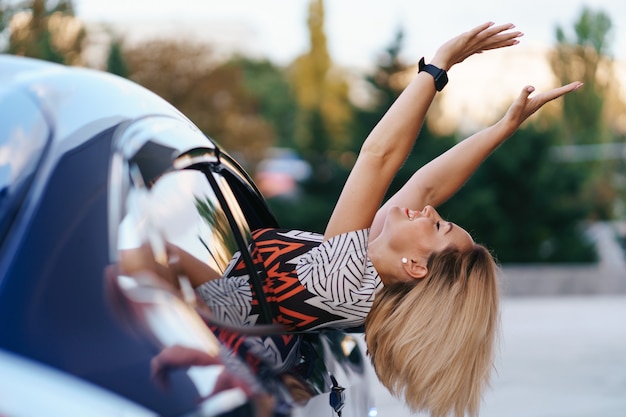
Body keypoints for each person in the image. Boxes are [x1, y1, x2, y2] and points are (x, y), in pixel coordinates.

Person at [136, 21, 583, 417]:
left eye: (438, 225)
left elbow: (378, 157)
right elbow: (426, 186)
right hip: (191, 320)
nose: (429, 211)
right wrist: (502, 127)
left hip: (169, 322)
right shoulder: (379, 279)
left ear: (416, 266)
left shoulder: (346, 279)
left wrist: (438, 67)